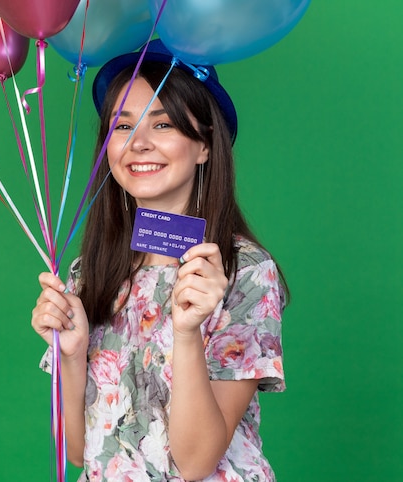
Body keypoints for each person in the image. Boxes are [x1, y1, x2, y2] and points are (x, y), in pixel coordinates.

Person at [31, 39, 287, 482]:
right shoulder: (88, 273)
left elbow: (195, 463)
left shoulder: (243, 271)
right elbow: (79, 452)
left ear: (205, 144)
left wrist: (187, 333)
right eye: (122, 126)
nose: (138, 144)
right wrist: (71, 355)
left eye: (163, 124)